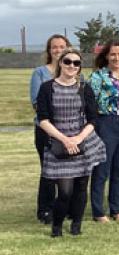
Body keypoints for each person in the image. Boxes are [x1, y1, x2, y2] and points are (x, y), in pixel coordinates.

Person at [36, 48, 106, 237]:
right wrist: (65, 140)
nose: (72, 66)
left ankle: (76, 224)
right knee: (65, 191)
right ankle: (57, 226)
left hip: (83, 142)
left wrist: (78, 138)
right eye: (68, 61)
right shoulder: (47, 87)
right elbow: (42, 119)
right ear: (60, 63)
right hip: (59, 143)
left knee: (81, 188)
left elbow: (93, 118)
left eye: (76, 63)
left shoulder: (84, 87)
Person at [89, 41, 119, 223]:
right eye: (113, 54)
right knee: (102, 170)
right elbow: (90, 103)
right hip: (105, 122)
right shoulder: (98, 76)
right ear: (106, 56)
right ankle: (99, 211)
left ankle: (117, 208)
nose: (117, 58)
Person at [29, 34, 70, 224]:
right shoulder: (40, 73)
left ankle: (64, 207)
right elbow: (37, 103)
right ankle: (45, 209)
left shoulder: (75, 71)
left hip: (69, 130)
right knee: (49, 170)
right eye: (54, 47)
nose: (58, 50)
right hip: (46, 129)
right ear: (49, 50)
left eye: (62, 46)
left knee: (67, 170)